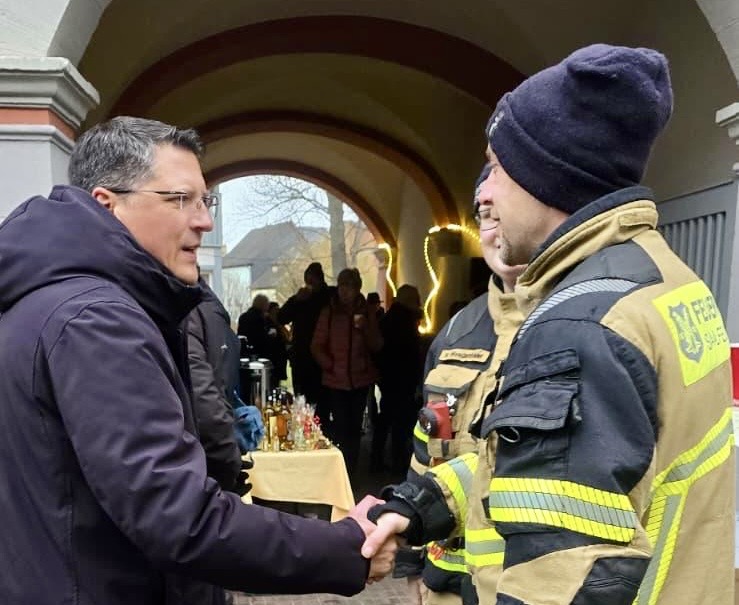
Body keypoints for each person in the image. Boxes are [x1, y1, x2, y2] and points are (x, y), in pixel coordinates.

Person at [363, 44, 735, 605]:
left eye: (498, 165)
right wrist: (421, 507)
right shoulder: (664, 281)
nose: (484, 190)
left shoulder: (576, 326)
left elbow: (561, 578)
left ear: (547, 175)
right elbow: (576, 474)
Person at [0, 116, 396, 605]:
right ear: (108, 204)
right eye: (180, 200)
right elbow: (176, 515)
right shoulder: (97, 321)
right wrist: (346, 547)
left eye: (205, 201)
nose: (204, 221)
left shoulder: (52, 300)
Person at [395, 165, 526, 605]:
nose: (498, 231)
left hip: (521, 588)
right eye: (486, 218)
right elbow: (423, 452)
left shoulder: (574, 320)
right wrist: (412, 564)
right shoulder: (455, 332)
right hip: (447, 586)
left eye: (507, 213)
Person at [311, 267, 383, 479]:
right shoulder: (330, 312)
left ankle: (351, 471)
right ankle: (341, 471)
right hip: (336, 380)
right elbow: (316, 345)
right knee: (340, 428)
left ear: (357, 288)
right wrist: (330, 365)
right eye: (342, 285)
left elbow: (377, 345)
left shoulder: (367, 312)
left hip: (360, 380)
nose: (344, 291)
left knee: (355, 428)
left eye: (349, 286)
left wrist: (366, 328)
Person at [187, 274, 246, 493]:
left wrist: (227, 459)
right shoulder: (210, 310)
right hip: (206, 454)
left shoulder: (190, 312)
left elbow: (205, 396)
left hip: (199, 459)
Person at [372, 284, 424, 475]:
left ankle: (376, 459)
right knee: (401, 424)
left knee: (385, 419)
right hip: (404, 379)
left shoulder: (386, 320)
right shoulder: (407, 322)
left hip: (388, 378)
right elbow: (412, 355)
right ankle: (398, 462)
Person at [278, 262, 333, 413]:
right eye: (307, 281)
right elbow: (281, 317)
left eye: (312, 280)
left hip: (321, 356)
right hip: (302, 356)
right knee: (304, 401)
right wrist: (296, 300)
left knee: (321, 401)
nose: (309, 284)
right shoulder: (301, 299)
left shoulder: (329, 297)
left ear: (320, 279)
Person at [237, 293, 270, 359]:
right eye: (267, 304)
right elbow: (261, 338)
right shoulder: (259, 318)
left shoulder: (243, 316)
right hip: (257, 352)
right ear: (263, 305)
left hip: (244, 350)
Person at [265, 300, 289, 385]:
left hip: (279, 361)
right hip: (274, 361)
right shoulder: (268, 324)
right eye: (276, 310)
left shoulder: (279, 325)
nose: (278, 312)